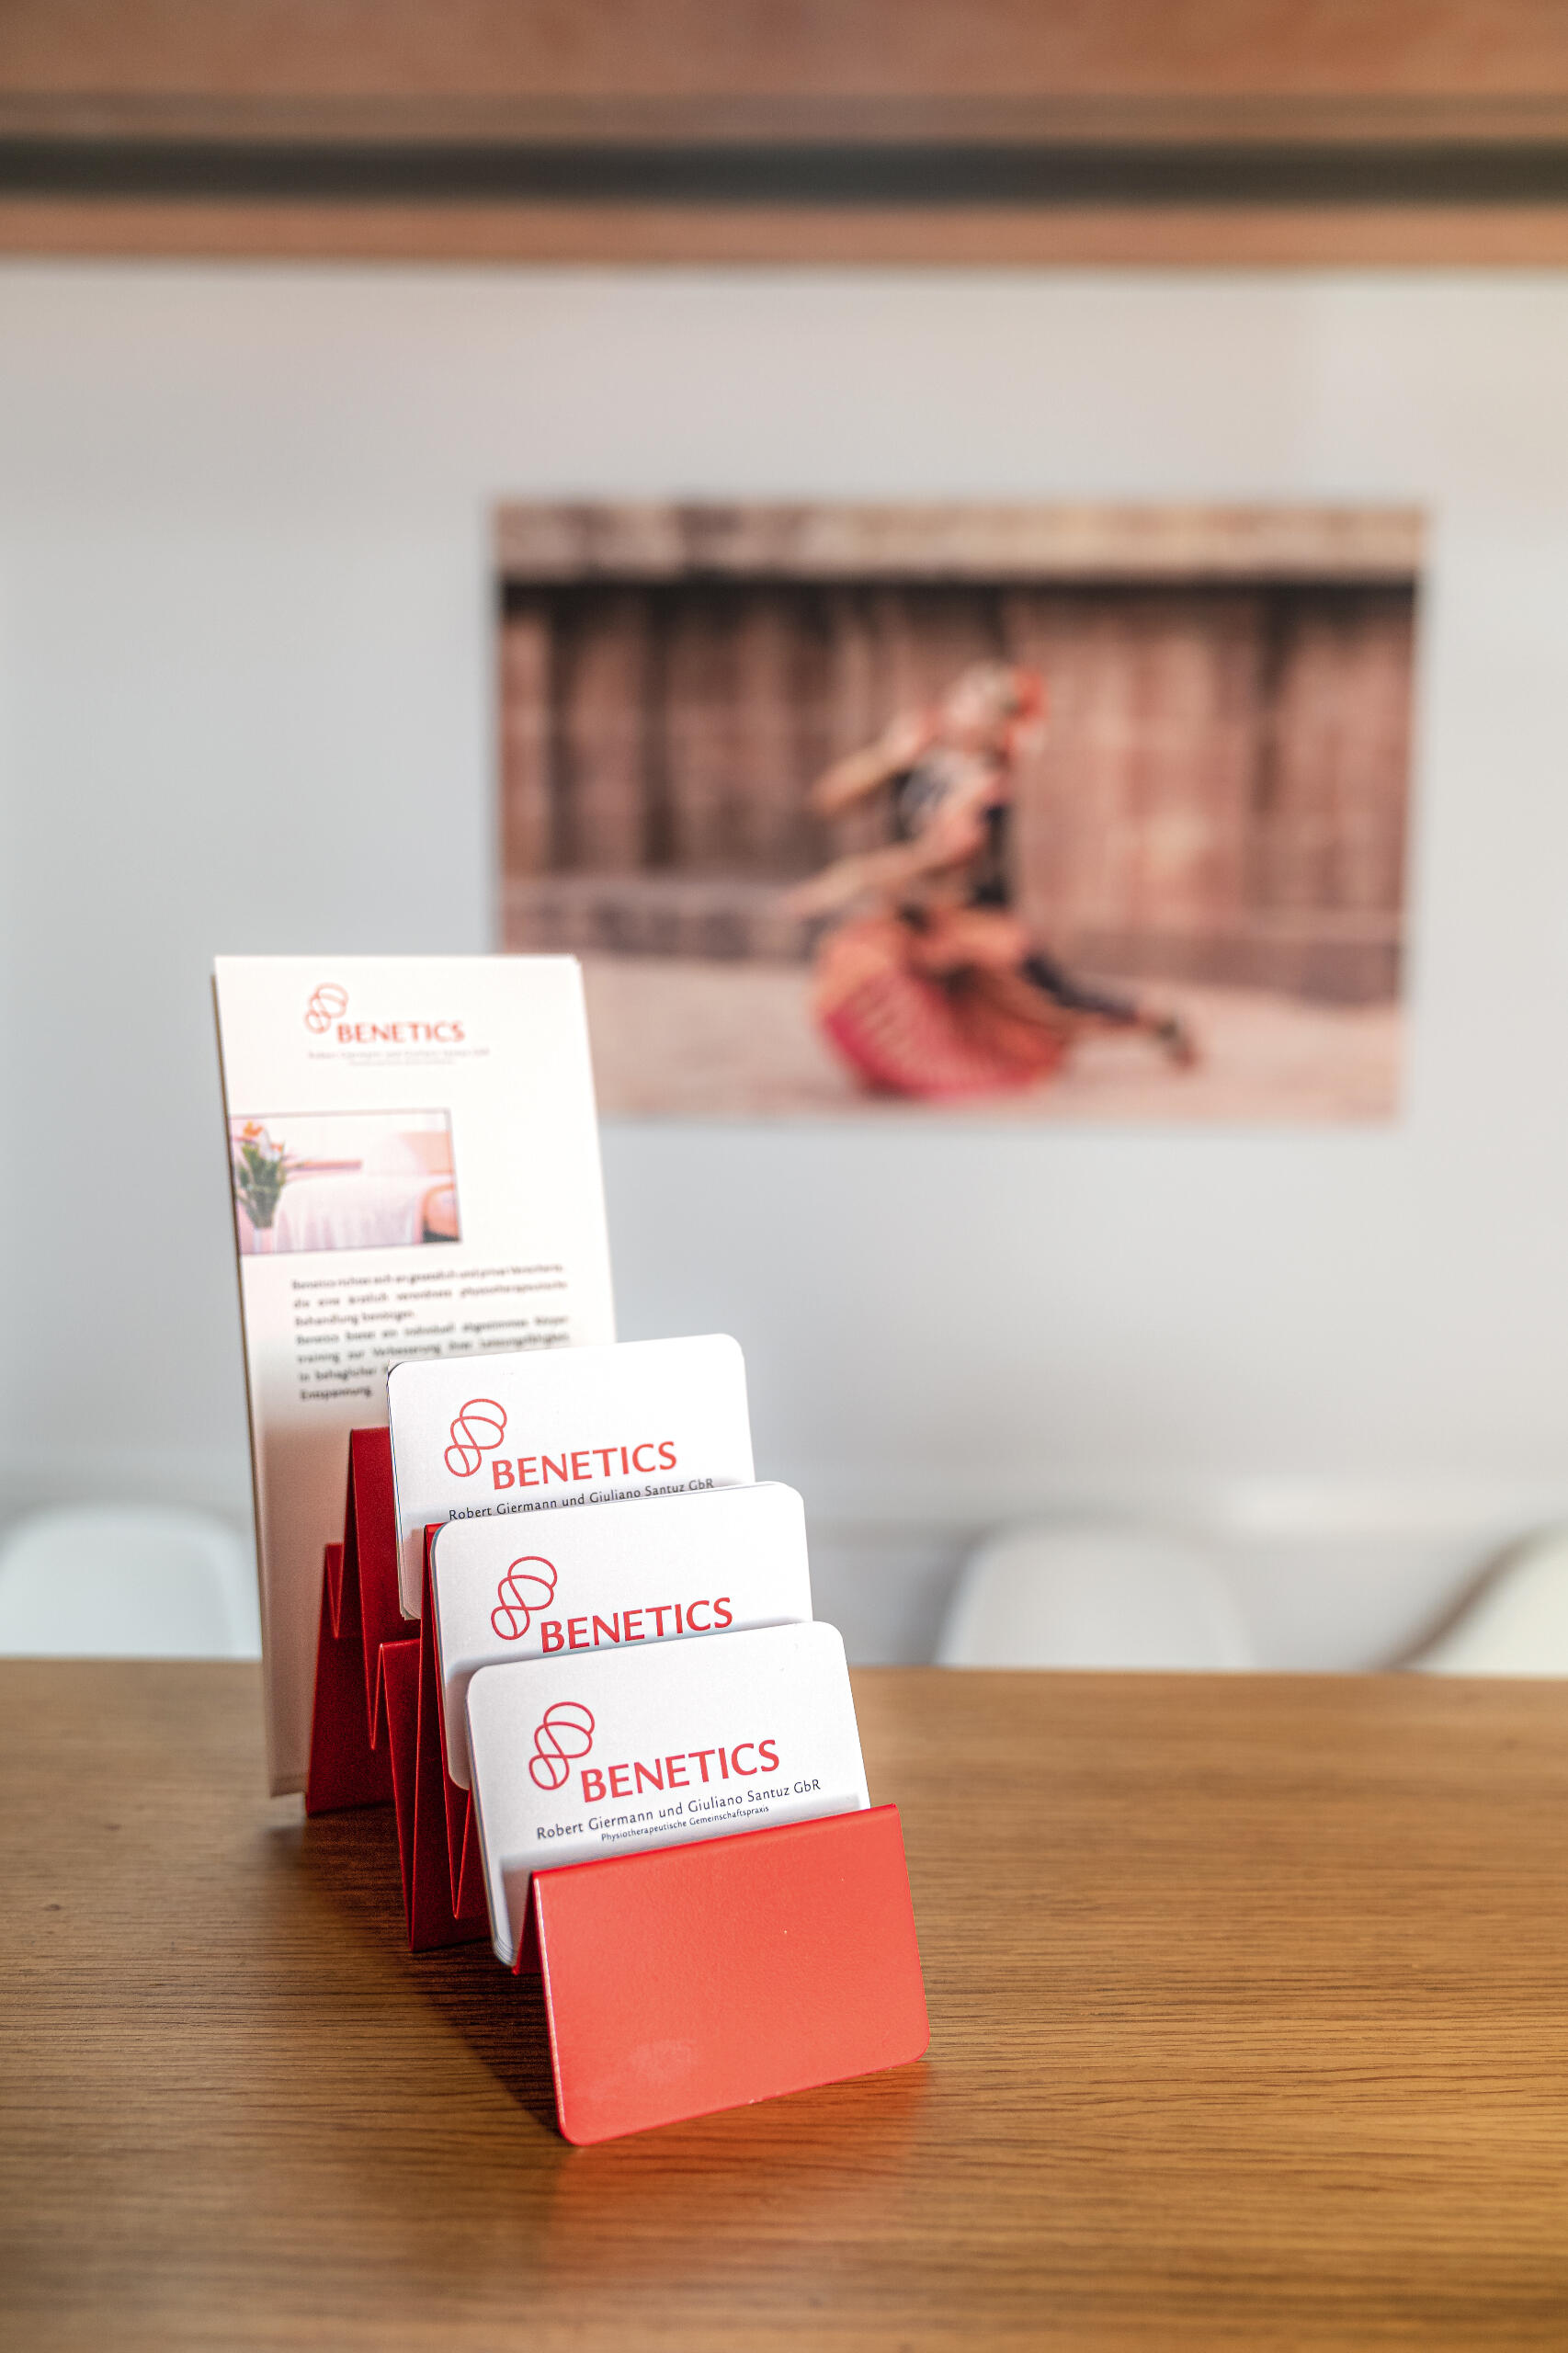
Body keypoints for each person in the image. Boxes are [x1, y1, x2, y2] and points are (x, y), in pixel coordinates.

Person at [785, 661, 1196, 1099]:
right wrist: (886, 757)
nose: (959, 705)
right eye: (963, 693)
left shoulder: (987, 785)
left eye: (977, 702)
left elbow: (943, 854)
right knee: (859, 961)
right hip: (915, 920)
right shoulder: (919, 757)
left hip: (977, 928)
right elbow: (829, 800)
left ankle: (1158, 1018)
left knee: (1055, 1003)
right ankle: (924, 1065)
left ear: (999, 728)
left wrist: (852, 877)